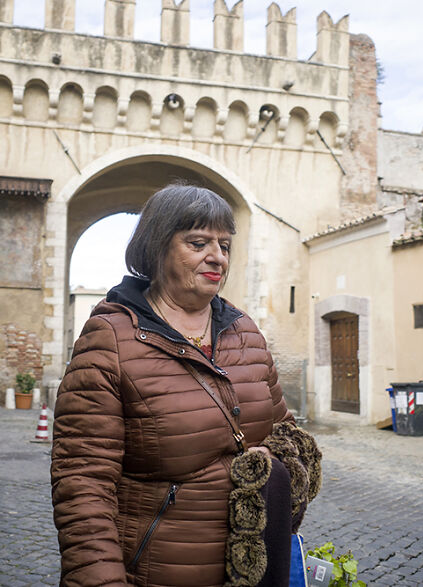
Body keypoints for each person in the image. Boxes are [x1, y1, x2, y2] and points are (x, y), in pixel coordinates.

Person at [51, 184, 321, 586]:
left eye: (225, 245)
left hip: (254, 570)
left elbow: (285, 432)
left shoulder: (244, 332)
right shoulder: (110, 338)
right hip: (155, 572)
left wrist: (276, 468)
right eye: (198, 243)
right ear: (158, 248)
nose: (217, 257)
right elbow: (83, 485)